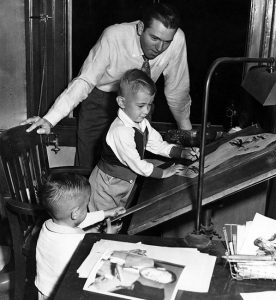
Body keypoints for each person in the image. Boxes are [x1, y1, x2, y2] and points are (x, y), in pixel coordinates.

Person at [21, 3, 193, 169]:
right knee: (87, 164)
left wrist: (187, 134)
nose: (160, 48)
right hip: (100, 101)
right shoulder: (113, 36)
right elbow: (84, 81)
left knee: (134, 164)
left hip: (138, 103)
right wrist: (50, 120)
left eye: (166, 42)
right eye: (154, 38)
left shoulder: (177, 39)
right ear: (141, 28)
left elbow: (177, 90)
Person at [88, 69, 199, 212]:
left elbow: (157, 145)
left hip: (125, 182)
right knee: (103, 227)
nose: (146, 111)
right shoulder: (120, 131)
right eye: (141, 106)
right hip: (106, 187)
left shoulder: (141, 123)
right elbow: (137, 164)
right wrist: (164, 173)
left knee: (117, 221)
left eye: (149, 105)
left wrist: (181, 152)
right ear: (122, 102)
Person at [35, 172, 126, 300]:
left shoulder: (48, 225)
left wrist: (107, 213)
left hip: (44, 289)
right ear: (76, 213)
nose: (88, 207)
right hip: (63, 293)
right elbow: (97, 262)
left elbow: (79, 220)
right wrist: (109, 236)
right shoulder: (78, 243)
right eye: (86, 205)